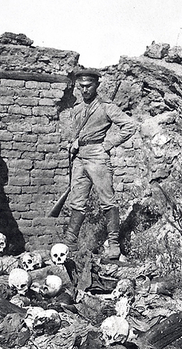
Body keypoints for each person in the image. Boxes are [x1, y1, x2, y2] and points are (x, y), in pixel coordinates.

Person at [63, 68, 137, 259]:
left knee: (107, 200)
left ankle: (113, 244)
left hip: (97, 155)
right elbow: (76, 132)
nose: (85, 90)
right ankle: (69, 242)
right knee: (77, 201)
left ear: (97, 85)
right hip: (80, 155)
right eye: (81, 86)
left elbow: (129, 126)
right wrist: (74, 142)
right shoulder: (78, 108)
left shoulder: (106, 106)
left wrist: (109, 143)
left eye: (89, 86)